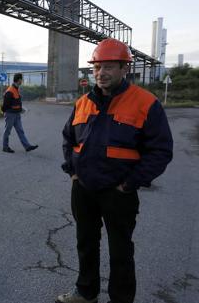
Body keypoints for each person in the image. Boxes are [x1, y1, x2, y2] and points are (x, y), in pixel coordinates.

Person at [56, 38, 173, 303]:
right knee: (86, 244)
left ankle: (121, 299)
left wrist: (129, 184)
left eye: (109, 67)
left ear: (124, 69)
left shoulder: (145, 103)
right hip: (84, 188)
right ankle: (86, 293)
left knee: (120, 250)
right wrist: (73, 173)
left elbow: (161, 151)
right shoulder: (83, 102)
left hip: (119, 192)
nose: (101, 73)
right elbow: (68, 139)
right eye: (97, 67)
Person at [1, 73, 38, 153]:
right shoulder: (10, 91)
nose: (22, 80)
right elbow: (5, 105)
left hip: (17, 114)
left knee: (20, 131)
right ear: (19, 80)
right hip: (10, 114)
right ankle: (5, 147)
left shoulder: (16, 89)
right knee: (7, 131)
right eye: (22, 79)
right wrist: (5, 112)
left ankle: (27, 146)